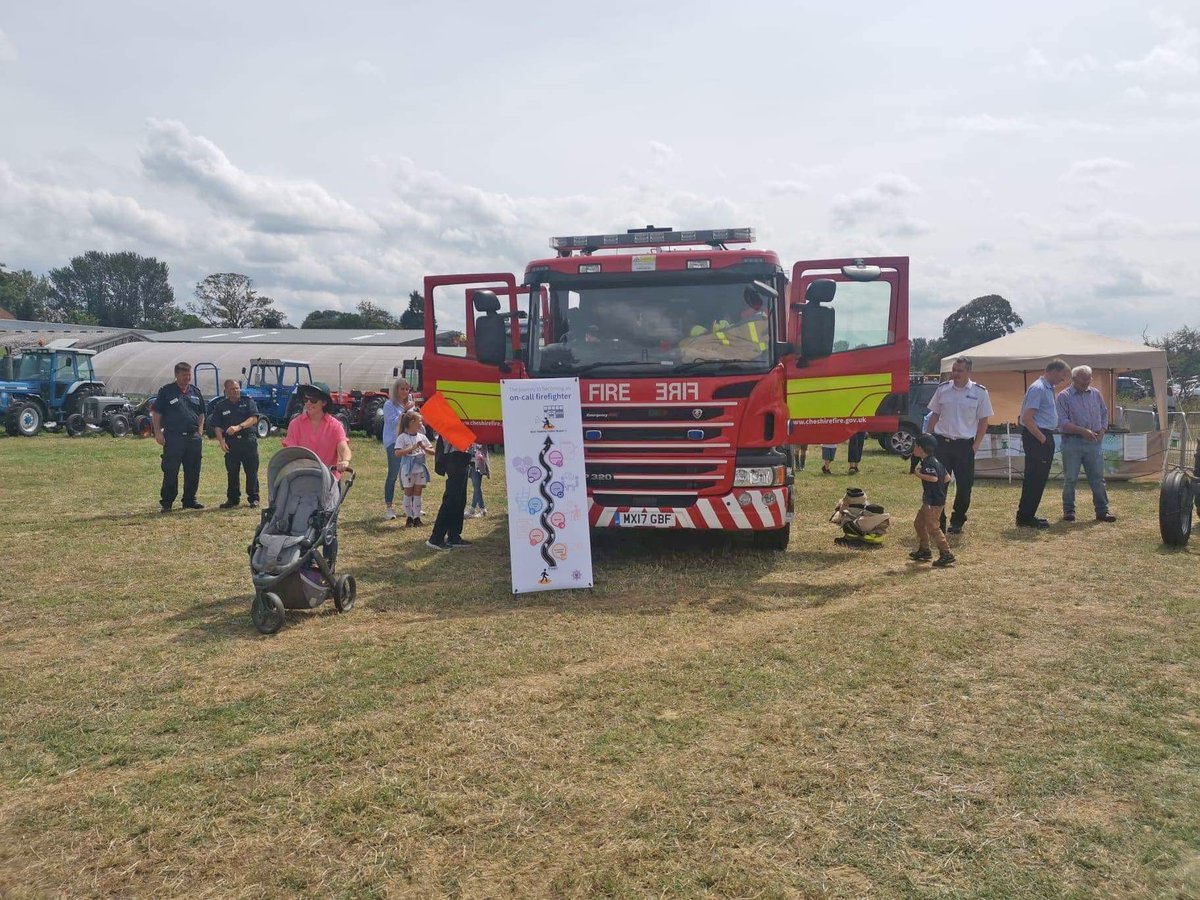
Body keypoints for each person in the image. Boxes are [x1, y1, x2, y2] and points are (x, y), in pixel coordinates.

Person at [282, 382, 351, 562]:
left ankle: (329, 565)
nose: (308, 403)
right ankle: (299, 561)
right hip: (302, 480)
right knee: (299, 521)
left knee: (328, 527)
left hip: (328, 481)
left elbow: (343, 446)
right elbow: (290, 450)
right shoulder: (296, 424)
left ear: (323, 403)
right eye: (306, 399)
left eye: (313, 400)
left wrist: (344, 460)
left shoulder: (335, 425)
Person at [925, 356, 994, 534]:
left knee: (964, 486)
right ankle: (938, 521)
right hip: (942, 444)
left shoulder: (980, 392)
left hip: (965, 446)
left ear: (968, 372)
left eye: (959, 371)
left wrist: (976, 445)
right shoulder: (943, 389)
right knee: (938, 484)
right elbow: (934, 415)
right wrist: (928, 440)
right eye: (954, 370)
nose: (955, 374)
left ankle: (957, 521)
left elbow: (983, 421)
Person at [1056, 365, 1116, 523]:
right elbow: (1062, 422)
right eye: (1083, 379)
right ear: (1074, 379)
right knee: (1070, 479)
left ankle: (1102, 511)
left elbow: (1104, 413)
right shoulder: (1063, 396)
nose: (1086, 381)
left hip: (1094, 442)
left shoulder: (1096, 393)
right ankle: (1069, 511)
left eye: (1089, 378)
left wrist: (1103, 429)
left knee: (1097, 479)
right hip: (1072, 443)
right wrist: (1082, 431)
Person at [1016, 358, 1071, 528]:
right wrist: (1042, 438)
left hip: (1042, 435)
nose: (1063, 380)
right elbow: (1027, 418)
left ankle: (1028, 514)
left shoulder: (1047, 388)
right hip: (1038, 436)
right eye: (1062, 375)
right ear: (1053, 371)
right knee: (1035, 477)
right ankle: (1025, 516)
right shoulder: (1038, 388)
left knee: (1039, 478)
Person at [152, 361, 206, 513]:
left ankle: (189, 500)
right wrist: (158, 432)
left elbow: (202, 412)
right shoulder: (166, 391)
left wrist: (200, 431)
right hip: (174, 437)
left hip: (193, 438)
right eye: (184, 375)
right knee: (171, 470)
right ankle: (167, 502)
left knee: (193, 470)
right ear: (176, 375)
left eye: (189, 375)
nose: (187, 378)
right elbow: (156, 413)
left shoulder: (195, 392)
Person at [212, 378, 261, 509]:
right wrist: (221, 441)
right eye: (232, 389)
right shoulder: (221, 406)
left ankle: (253, 498)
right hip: (231, 443)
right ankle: (233, 499)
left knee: (251, 471)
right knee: (232, 472)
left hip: (248, 440)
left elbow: (254, 418)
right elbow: (217, 425)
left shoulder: (248, 402)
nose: (235, 391)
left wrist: (239, 427)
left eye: (237, 388)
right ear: (226, 391)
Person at [909, 434, 955, 567]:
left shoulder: (928, 463)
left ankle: (946, 553)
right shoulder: (935, 461)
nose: (914, 448)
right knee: (918, 523)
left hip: (933, 502)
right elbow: (947, 478)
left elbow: (933, 478)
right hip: (932, 500)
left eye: (915, 446)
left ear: (921, 448)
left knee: (933, 527)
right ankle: (925, 550)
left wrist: (918, 474)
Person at [426, 436, 472, 550]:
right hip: (453, 455)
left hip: (462, 454)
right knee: (451, 498)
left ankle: (454, 535)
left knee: (460, 499)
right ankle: (436, 538)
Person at [381, 378, 417, 520]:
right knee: (393, 475)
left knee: (411, 474)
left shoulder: (409, 405)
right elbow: (393, 423)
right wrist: (405, 410)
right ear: (396, 390)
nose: (404, 392)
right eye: (402, 389)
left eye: (407, 389)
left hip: (409, 443)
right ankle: (389, 508)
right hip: (393, 443)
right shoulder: (389, 405)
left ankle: (413, 505)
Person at [395, 411, 435, 526]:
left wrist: (424, 448)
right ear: (412, 422)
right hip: (408, 469)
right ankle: (409, 517)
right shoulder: (402, 437)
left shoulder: (422, 437)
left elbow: (433, 451)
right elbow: (397, 453)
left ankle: (417, 517)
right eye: (420, 421)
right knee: (408, 492)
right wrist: (411, 448)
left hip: (420, 469)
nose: (421, 423)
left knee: (418, 493)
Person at [467, 442, 490, 517]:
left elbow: (481, 449)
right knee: (476, 486)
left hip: (479, 463)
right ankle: (473, 509)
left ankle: (482, 509)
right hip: (472, 463)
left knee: (476, 486)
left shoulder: (481, 437)